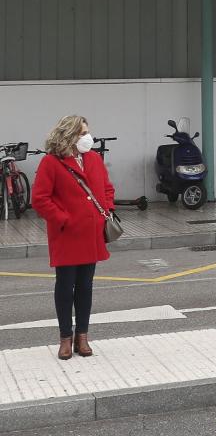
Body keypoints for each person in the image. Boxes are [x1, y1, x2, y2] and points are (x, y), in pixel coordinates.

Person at [31, 115, 115, 360]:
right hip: (67, 235)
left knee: (86, 287)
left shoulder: (94, 159)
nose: (87, 137)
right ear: (68, 135)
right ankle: (65, 339)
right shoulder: (51, 162)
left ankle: (83, 338)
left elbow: (107, 188)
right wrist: (63, 219)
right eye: (82, 133)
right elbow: (40, 199)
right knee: (65, 287)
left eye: (87, 131)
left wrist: (106, 210)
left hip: (91, 233)